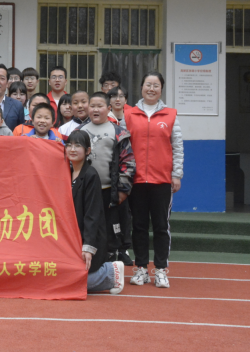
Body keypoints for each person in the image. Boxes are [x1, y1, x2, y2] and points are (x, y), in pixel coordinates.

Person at [124, 72, 184, 289]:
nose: (151, 89)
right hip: (136, 180)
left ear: (161, 89)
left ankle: (160, 270)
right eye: (148, 84)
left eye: (155, 85)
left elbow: (177, 147)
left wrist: (176, 174)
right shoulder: (129, 114)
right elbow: (123, 147)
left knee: (161, 226)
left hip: (162, 181)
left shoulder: (171, 115)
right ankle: (141, 268)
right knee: (138, 226)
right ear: (141, 87)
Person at [77, 92, 136, 266]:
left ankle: (110, 262)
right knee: (87, 226)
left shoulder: (118, 132)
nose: (95, 109)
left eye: (100, 106)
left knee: (110, 230)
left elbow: (128, 162)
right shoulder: (79, 132)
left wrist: (123, 190)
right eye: (92, 106)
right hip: (85, 192)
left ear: (109, 109)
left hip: (109, 192)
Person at [66, 130, 125, 295]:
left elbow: (93, 214)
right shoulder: (66, 173)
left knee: (71, 283)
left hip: (88, 237)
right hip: (71, 238)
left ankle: (110, 272)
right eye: (69, 145)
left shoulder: (91, 175)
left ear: (88, 151)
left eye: (78, 146)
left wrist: (88, 247)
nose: (72, 149)